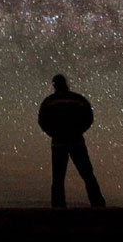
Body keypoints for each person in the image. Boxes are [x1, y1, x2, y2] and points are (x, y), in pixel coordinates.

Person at [38, 74, 105, 208]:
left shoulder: (49, 101)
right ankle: (98, 205)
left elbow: (42, 121)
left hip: (58, 143)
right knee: (87, 174)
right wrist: (79, 130)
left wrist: (52, 133)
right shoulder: (78, 99)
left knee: (58, 178)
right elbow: (89, 117)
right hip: (76, 141)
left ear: (54, 85)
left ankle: (58, 207)